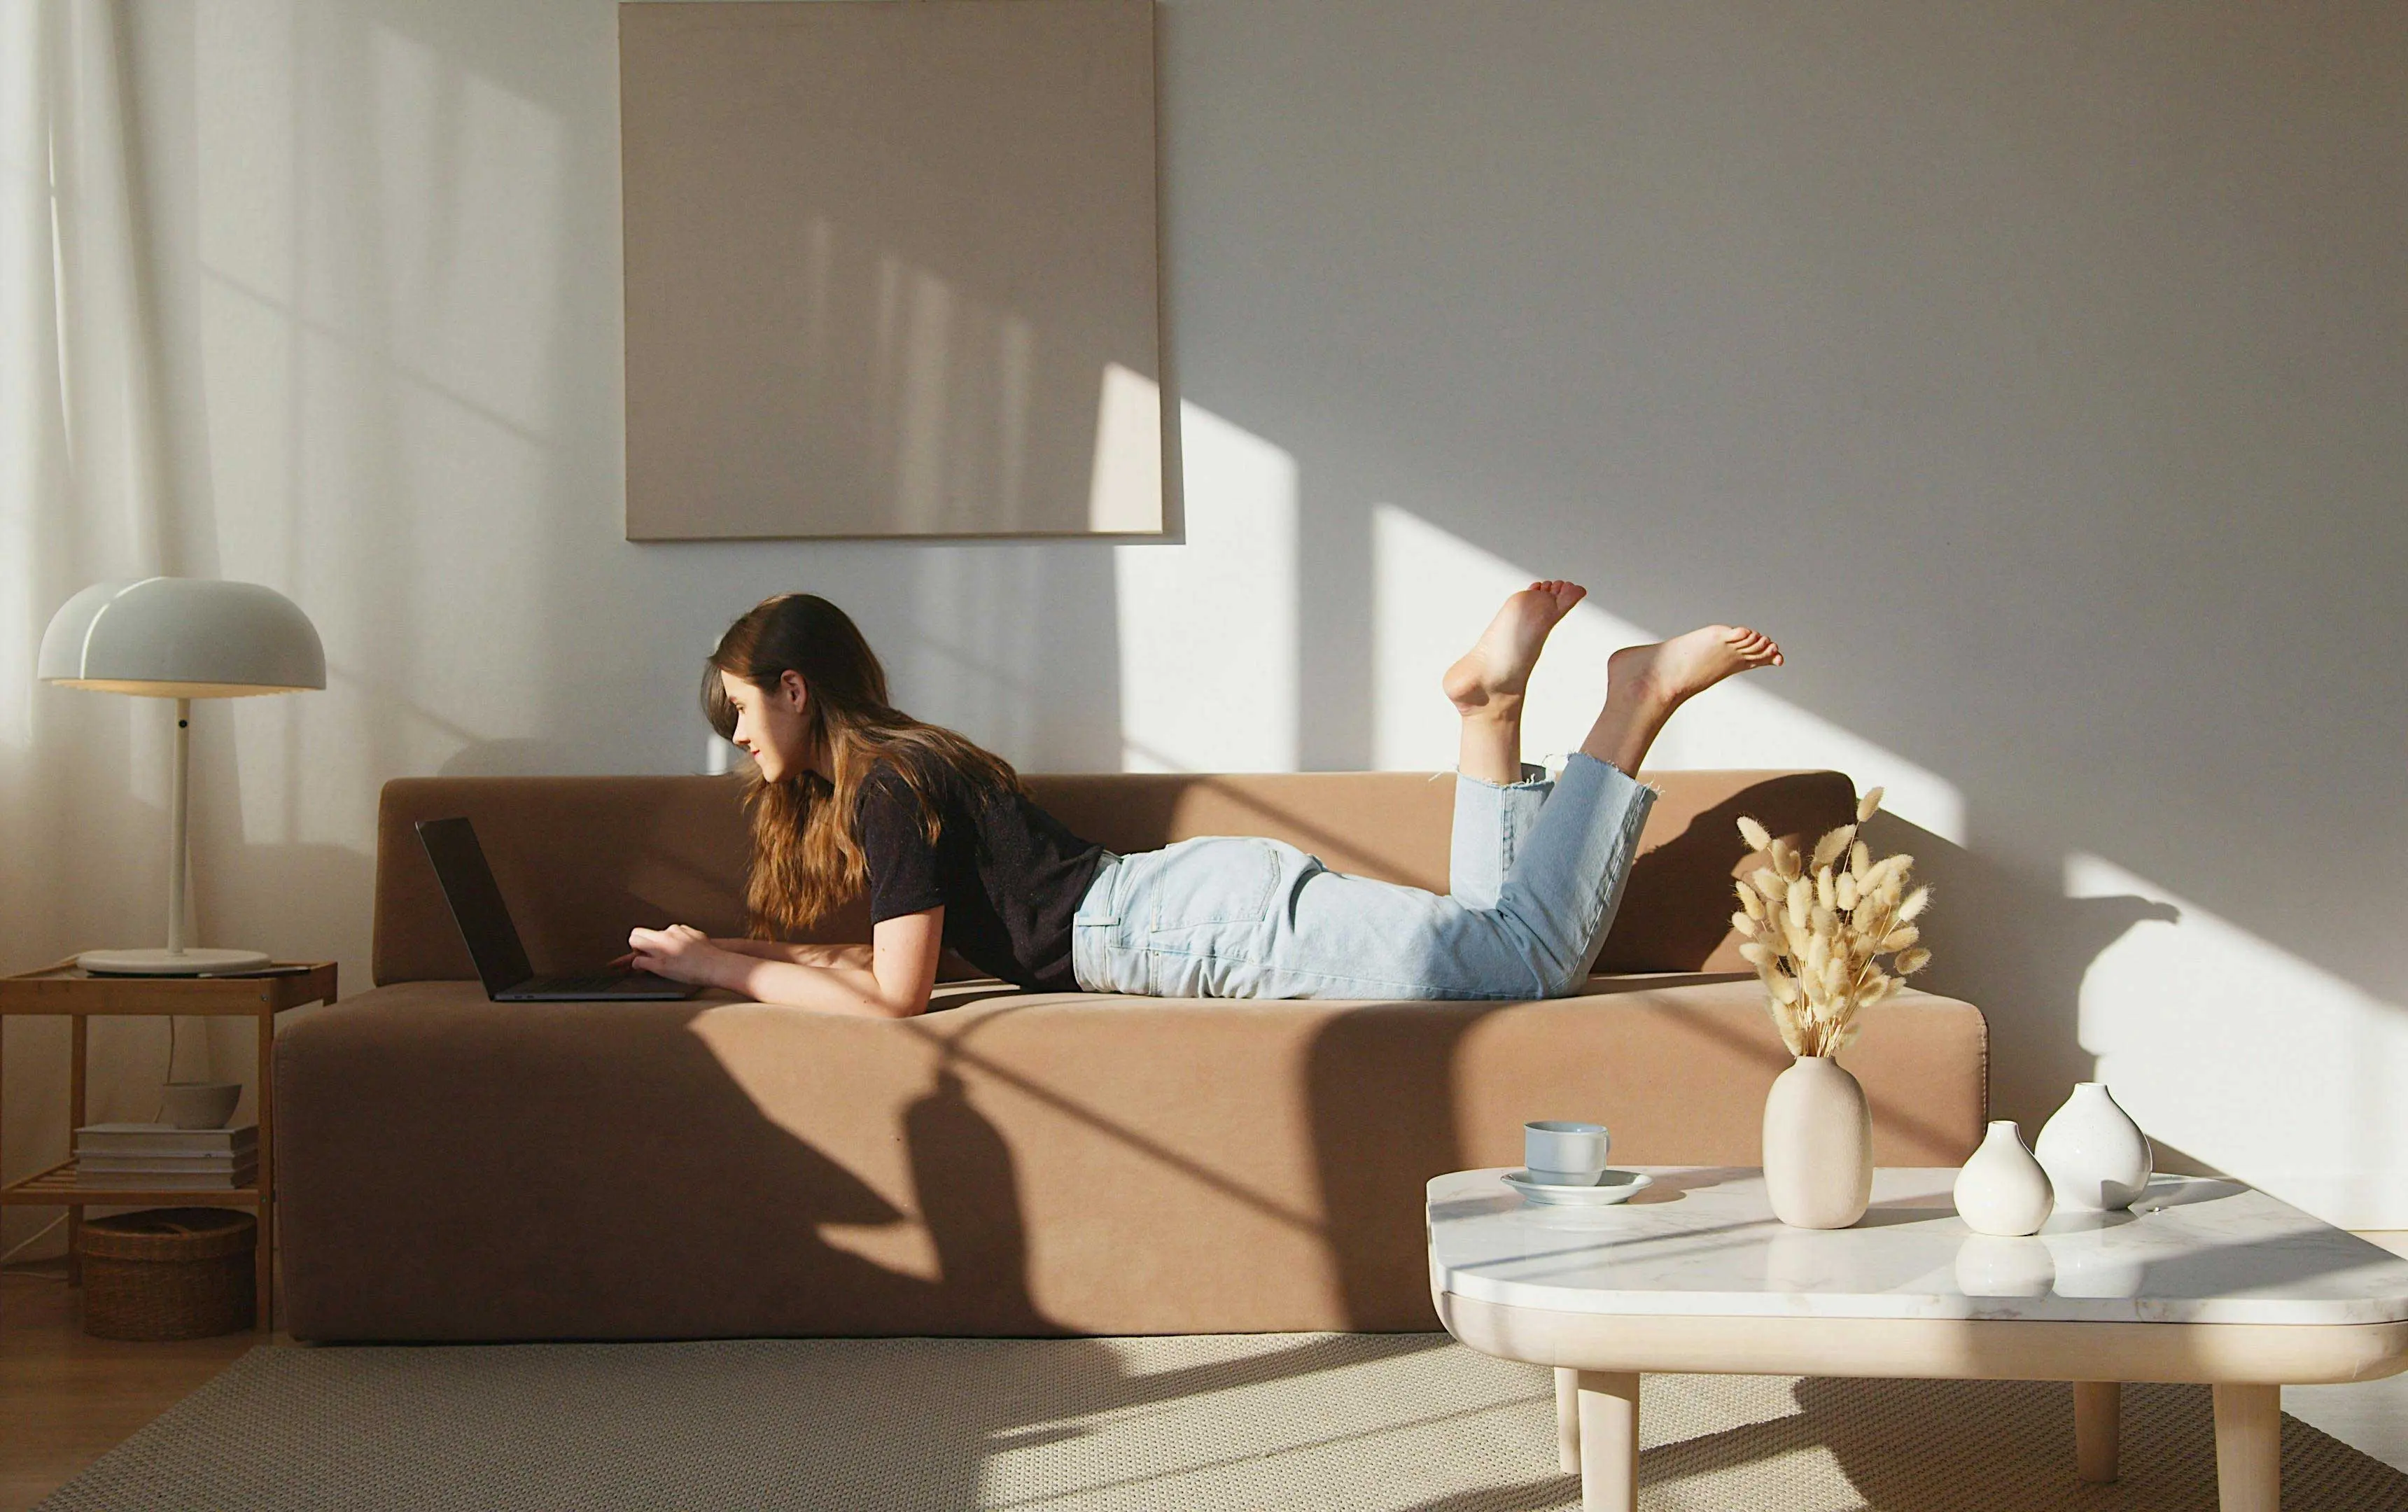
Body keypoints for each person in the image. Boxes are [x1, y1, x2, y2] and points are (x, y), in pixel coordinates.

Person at [625, 585, 1782, 1016]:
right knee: (1494, 944)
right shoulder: (907, 765)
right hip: (1179, 909)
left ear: (791, 687)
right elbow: (880, 952)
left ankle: (1632, 704)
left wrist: (723, 972)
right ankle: (1488, 710)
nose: (734, 741)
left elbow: (896, 995)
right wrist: (714, 943)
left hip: (1179, 928)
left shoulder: (884, 789)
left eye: (735, 712)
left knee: (1528, 963)